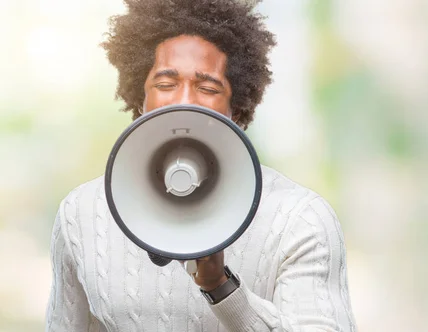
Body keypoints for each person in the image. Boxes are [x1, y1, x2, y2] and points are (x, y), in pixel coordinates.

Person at [45, 0, 356, 331]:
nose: (185, 101)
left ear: (236, 107)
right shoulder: (81, 214)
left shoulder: (299, 220)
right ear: (140, 96)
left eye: (208, 87)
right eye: (166, 84)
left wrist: (221, 287)